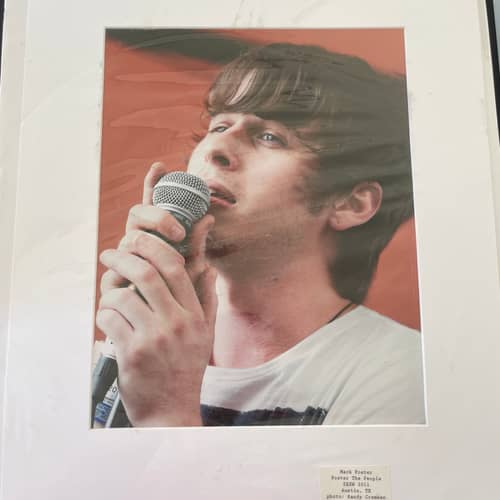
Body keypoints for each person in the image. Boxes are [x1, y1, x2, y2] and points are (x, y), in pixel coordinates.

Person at [95, 43, 425, 427]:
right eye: (218, 125)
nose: (216, 148)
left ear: (351, 203)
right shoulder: (129, 341)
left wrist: (165, 412)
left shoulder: (399, 375)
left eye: (270, 136)